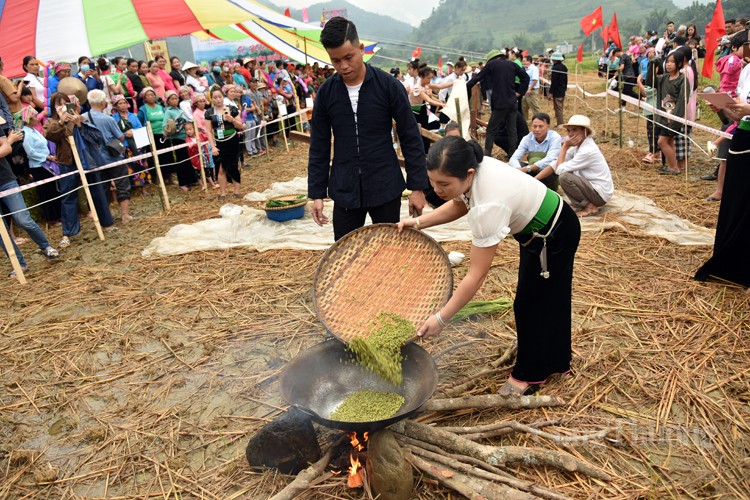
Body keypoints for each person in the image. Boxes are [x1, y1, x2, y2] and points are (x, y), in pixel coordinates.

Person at [398, 136, 580, 395]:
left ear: (468, 174)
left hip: (553, 234)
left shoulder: (488, 205)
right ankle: (556, 361)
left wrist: (441, 317)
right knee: (548, 298)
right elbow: (460, 204)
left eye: (443, 184)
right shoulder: (473, 170)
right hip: (542, 229)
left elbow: (476, 274)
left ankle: (530, 374)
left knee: (532, 303)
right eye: (432, 181)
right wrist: (418, 223)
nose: (436, 190)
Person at [308, 17, 428, 240]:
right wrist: (316, 193)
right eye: (335, 61)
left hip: (385, 184)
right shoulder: (326, 93)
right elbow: (319, 145)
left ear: (361, 49)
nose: (343, 66)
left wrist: (418, 187)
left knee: (387, 251)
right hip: (345, 188)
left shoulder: (388, 86)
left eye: (348, 57)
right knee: (346, 253)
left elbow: (410, 136)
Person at [694, 64, 750, 287]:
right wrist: (725, 109)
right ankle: (734, 263)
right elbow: (739, 113)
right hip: (744, 137)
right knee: (737, 201)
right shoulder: (746, 71)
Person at [44, 93, 115, 247]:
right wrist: (62, 122)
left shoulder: (80, 118)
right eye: (58, 104)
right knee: (69, 197)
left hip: (87, 161)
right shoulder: (52, 122)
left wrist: (79, 124)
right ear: (54, 107)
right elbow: (50, 135)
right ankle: (68, 233)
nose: (62, 106)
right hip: (67, 163)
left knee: (97, 192)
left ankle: (107, 223)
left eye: (65, 103)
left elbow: (96, 137)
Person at [0, 124, 60, 278]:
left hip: (6, 180)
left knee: (23, 219)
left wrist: (7, 143)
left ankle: (45, 246)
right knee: (1, 230)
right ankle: (19, 264)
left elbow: (6, 149)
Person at [536, 115, 613, 217]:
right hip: (592, 189)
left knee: (565, 177)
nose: (570, 134)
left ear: (585, 131)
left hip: (599, 194)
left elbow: (559, 170)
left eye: (575, 130)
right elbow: (555, 164)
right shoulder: (578, 147)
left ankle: (589, 207)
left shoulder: (587, 150)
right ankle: (583, 202)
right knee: (565, 172)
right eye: (568, 131)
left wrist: (565, 146)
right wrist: (535, 179)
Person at [467, 49, 530, 158]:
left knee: (491, 130)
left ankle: (487, 154)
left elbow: (478, 77)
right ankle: (512, 155)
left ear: (492, 59)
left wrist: (466, 87)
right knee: (512, 130)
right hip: (512, 102)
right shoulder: (512, 64)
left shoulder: (492, 64)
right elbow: (526, 78)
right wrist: (519, 93)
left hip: (500, 104)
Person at [87, 89, 133, 222]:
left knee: (102, 187)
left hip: (95, 159)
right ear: (103, 103)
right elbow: (120, 137)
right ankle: (125, 214)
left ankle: (104, 215)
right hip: (113, 156)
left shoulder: (83, 117)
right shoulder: (108, 119)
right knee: (122, 184)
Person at [20, 106, 62, 223]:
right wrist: (47, 157)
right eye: (34, 116)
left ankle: (58, 215)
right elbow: (30, 152)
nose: (36, 118)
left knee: (53, 190)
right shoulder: (26, 133)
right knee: (46, 192)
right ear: (28, 119)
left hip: (46, 163)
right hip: (38, 166)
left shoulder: (35, 131)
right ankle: (52, 218)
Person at [205, 87, 243, 198]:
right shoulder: (209, 113)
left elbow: (241, 126)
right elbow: (208, 130)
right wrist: (213, 147)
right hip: (219, 142)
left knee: (233, 165)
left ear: (223, 97)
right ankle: (223, 192)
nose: (218, 100)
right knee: (221, 168)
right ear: (211, 99)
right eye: (215, 97)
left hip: (232, 140)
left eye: (220, 97)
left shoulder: (232, 109)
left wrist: (232, 120)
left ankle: (237, 191)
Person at [655, 51, 689, 175]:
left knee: (661, 142)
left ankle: (674, 168)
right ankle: (672, 166)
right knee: (669, 142)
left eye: (672, 62)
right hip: (663, 116)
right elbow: (650, 81)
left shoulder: (682, 80)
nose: (669, 64)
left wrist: (674, 118)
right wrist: (652, 66)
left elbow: (682, 100)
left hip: (673, 118)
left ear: (679, 63)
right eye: (667, 61)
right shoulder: (664, 77)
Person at [509, 112, 562, 191]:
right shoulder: (527, 138)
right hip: (532, 170)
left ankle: (552, 187)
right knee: (513, 166)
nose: (537, 129)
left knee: (550, 165)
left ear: (548, 127)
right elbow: (514, 158)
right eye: (534, 126)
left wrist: (528, 168)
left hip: (547, 173)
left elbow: (551, 159)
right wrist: (518, 170)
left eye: (541, 126)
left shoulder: (555, 137)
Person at [161, 90, 196, 190]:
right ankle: (183, 183)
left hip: (185, 137)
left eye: (176, 98)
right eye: (172, 99)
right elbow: (165, 126)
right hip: (177, 139)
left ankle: (191, 180)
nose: (175, 100)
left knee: (188, 160)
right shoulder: (168, 112)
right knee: (181, 161)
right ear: (168, 101)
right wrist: (174, 125)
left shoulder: (180, 110)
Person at [548, 52, 568, 127]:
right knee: (560, 107)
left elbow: (554, 82)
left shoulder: (555, 69)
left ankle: (560, 124)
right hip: (562, 90)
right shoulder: (564, 67)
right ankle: (559, 122)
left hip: (557, 91)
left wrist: (550, 92)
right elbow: (566, 80)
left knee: (558, 108)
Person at [521, 56, 541, 121]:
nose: (523, 62)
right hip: (526, 90)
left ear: (529, 61)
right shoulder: (525, 69)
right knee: (524, 107)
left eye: (524, 61)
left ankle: (540, 120)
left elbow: (535, 80)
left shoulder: (533, 68)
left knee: (534, 107)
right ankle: (525, 121)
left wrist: (530, 88)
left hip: (531, 91)